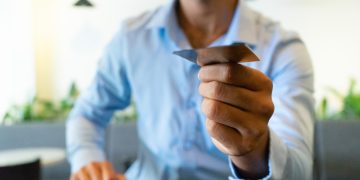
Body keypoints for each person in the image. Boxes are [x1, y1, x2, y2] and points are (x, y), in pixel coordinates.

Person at [67, 0, 314, 179]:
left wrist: (255, 153)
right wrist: (88, 163)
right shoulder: (131, 38)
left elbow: (300, 170)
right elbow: (87, 115)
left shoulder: (283, 49)